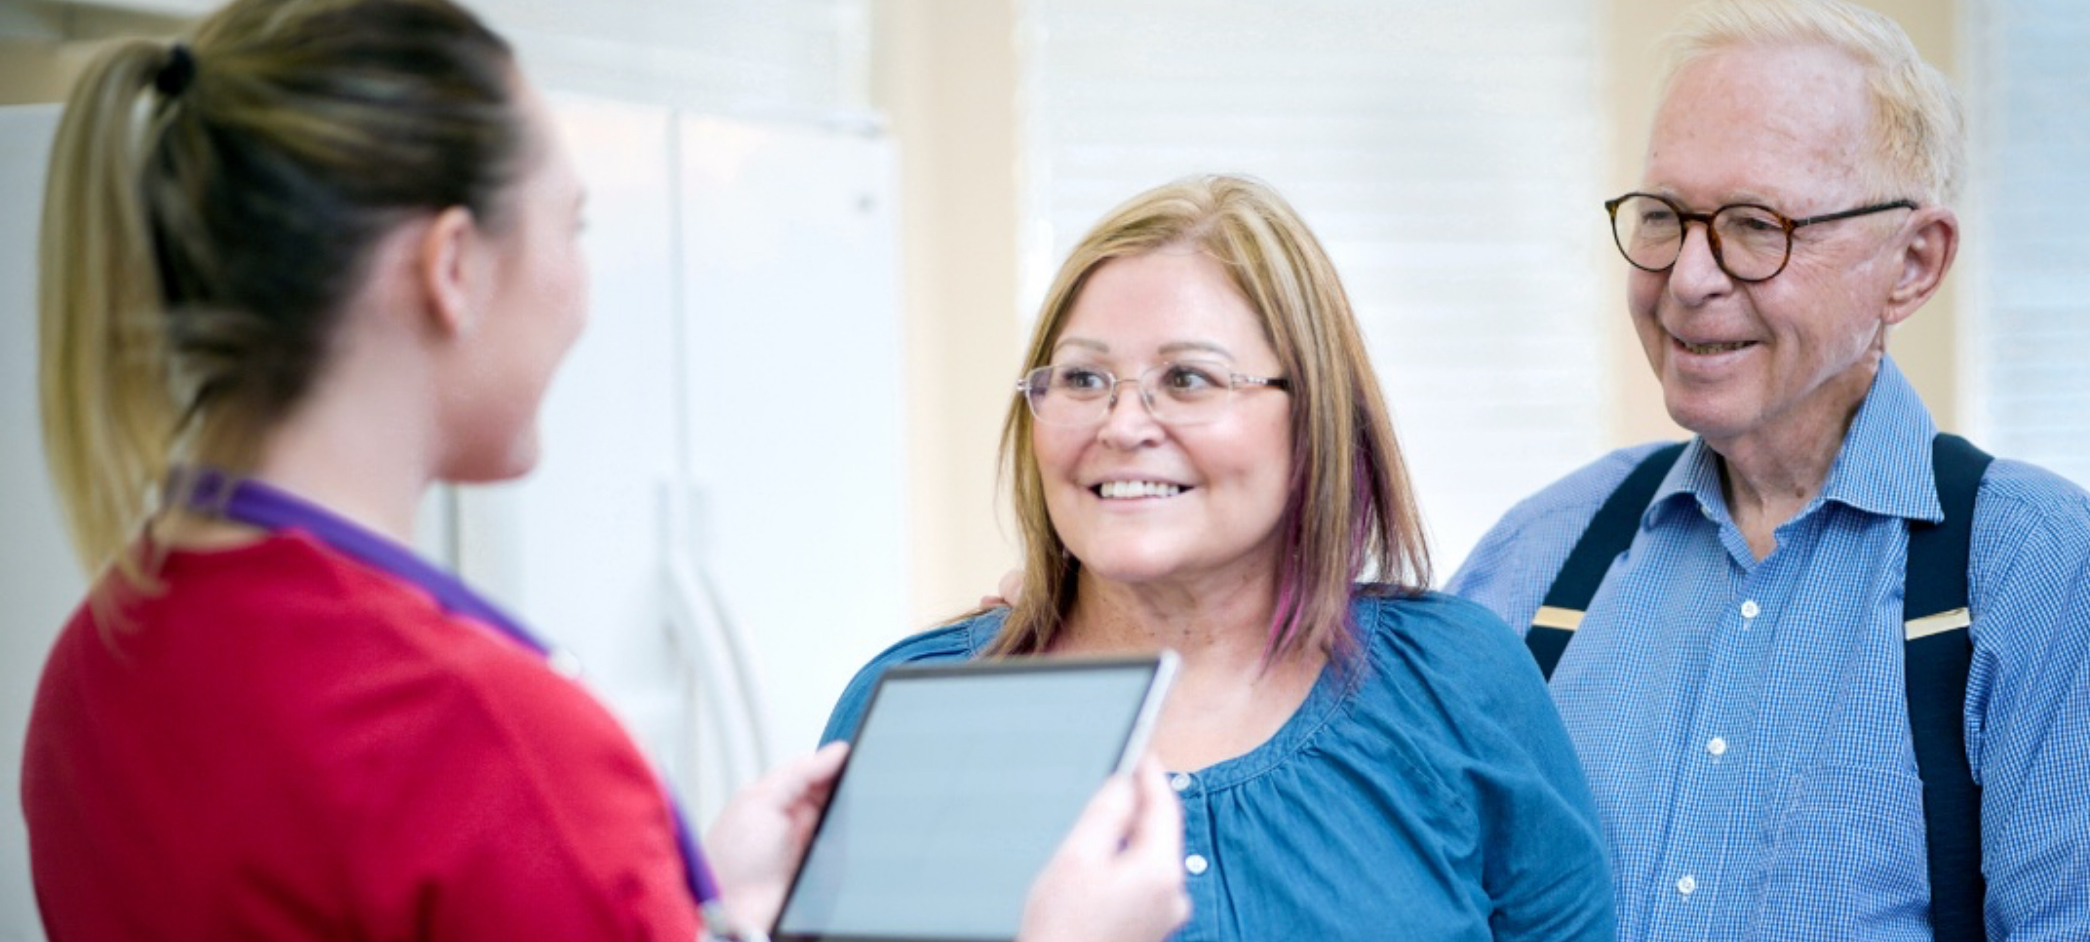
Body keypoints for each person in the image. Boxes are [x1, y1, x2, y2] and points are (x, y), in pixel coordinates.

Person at [20, 1, 1190, 939]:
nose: (584, 289)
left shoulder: (96, 665)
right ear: (451, 267)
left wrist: (695, 910)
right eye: (574, 226)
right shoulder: (489, 739)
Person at [821, 174, 1615, 941]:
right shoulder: (919, 715)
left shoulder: (1459, 681)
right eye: (1084, 377)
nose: (1123, 424)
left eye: (1189, 378)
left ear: (1315, 419)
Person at [1448, 1, 2090, 939]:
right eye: (1665, 217)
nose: (1689, 279)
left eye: (1756, 225)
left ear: (1912, 263)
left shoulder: (2036, 569)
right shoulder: (1540, 552)